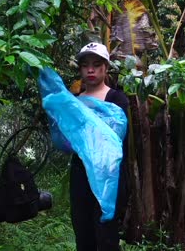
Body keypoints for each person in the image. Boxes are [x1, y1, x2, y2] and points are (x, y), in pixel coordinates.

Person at [70, 42, 129, 251]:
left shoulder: (117, 99)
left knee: (106, 235)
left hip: (109, 177)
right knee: (83, 232)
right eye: (85, 65)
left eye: (96, 64)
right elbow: (68, 141)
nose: (91, 70)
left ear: (106, 67)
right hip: (80, 174)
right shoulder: (74, 101)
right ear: (81, 69)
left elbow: (114, 139)